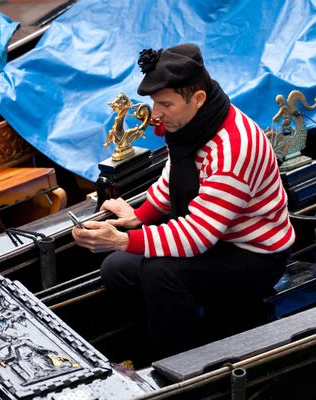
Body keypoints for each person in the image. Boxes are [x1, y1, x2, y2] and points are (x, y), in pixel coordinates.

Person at [72, 43, 295, 360]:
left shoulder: (233, 150)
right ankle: (164, 335)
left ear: (198, 99)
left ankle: (179, 368)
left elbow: (197, 236)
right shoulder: (197, 123)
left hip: (254, 255)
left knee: (160, 272)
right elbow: (173, 176)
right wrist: (139, 216)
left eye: (165, 104)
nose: (155, 114)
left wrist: (124, 239)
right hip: (216, 240)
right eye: (154, 103)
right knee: (115, 269)